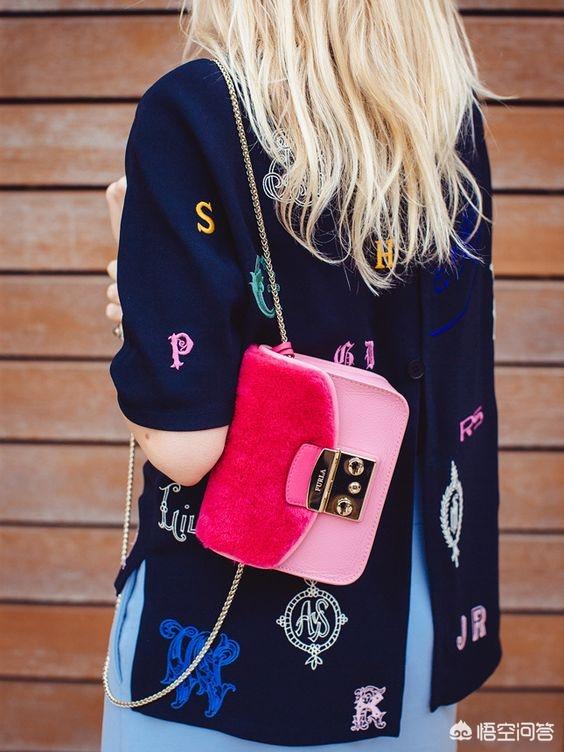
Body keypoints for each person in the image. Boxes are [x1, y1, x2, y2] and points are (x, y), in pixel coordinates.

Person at [101, 2, 503, 749]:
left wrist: (135, 309)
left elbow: (184, 446)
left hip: (227, 646)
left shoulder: (196, 111)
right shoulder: (449, 122)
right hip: (420, 629)